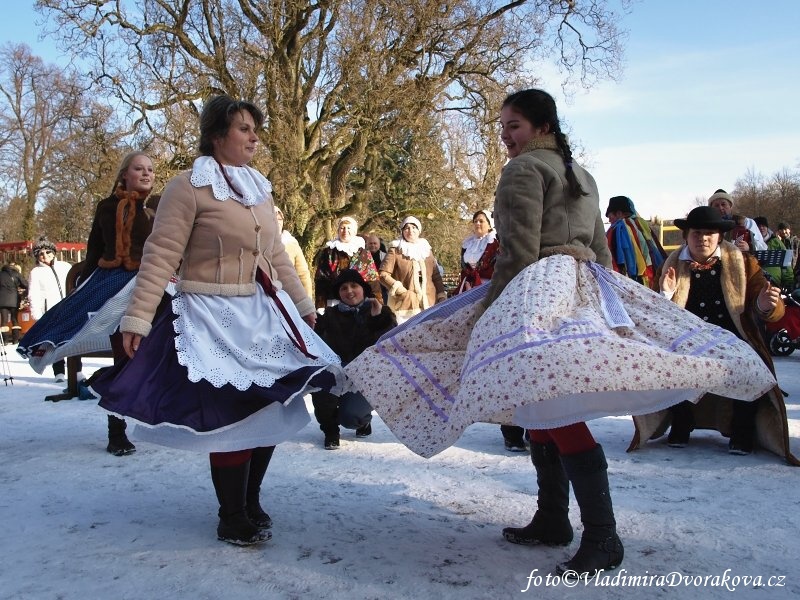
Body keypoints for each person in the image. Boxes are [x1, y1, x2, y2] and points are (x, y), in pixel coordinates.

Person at [343, 89, 779, 579]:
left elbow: (519, 248)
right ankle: (553, 518)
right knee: (542, 401)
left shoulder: (523, 171)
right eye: (504, 127)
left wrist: (492, 309)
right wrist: (610, 301)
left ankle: (602, 535)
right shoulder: (583, 175)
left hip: (537, 285)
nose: (506, 136)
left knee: (549, 402)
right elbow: (598, 248)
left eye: (514, 126)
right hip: (582, 285)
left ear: (542, 127)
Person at [90, 95, 344, 546]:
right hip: (208, 314)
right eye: (244, 128)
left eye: (254, 129)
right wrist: (138, 318)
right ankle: (231, 515)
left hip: (260, 315)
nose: (254, 136)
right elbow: (160, 254)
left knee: (271, 406)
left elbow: (277, 256)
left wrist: (305, 307)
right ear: (216, 135)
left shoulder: (258, 188)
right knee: (233, 416)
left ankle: (251, 500)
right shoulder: (187, 186)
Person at [17, 152, 158, 454]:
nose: (146, 173)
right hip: (113, 288)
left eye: (150, 169)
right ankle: (116, 431)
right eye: (139, 168)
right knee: (123, 357)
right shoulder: (106, 207)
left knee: (161, 352)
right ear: (125, 174)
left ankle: (172, 418)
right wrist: (85, 290)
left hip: (149, 285)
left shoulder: (157, 209)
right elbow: (95, 248)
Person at [630, 206, 796, 461]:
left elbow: (766, 308)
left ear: (720, 236)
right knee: (672, 364)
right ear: (686, 235)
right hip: (687, 339)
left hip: (734, 339)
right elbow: (655, 315)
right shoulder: (672, 265)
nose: (703, 238)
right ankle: (681, 423)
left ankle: (742, 431)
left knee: (750, 366)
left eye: (710, 233)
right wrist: (665, 294)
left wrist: (765, 305)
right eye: (697, 233)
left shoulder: (744, 263)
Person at [456, 209, 523, 451]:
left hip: (498, 296)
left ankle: (523, 431)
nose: (478, 224)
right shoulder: (468, 245)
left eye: (481, 220)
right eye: (475, 221)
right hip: (472, 294)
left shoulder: (498, 244)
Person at [311, 269, 396, 449]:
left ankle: (363, 420)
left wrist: (377, 319)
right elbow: (314, 341)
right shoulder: (330, 315)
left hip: (366, 377)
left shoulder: (382, 311)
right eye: (343, 288)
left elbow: (390, 346)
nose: (349, 291)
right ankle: (331, 431)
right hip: (338, 372)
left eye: (354, 286)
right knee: (321, 383)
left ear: (363, 288)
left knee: (350, 418)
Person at [379, 216, 447, 323]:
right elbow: (383, 274)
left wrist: (441, 295)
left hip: (430, 301)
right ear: (402, 231)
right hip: (406, 302)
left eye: (414, 227)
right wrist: (399, 289)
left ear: (418, 230)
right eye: (407, 228)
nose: (410, 231)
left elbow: (436, 276)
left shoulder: (426, 249)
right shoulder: (396, 249)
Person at [26, 237, 72, 382]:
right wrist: (38, 315)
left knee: (73, 340)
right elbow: (34, 294)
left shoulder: (65, 266)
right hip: (51, 312)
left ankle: (76, 369)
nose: (45, 256)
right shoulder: (36, 272)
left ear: (53, 253)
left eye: (47, 252)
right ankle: (59, 372)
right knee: (55, 342)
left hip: (69, 308)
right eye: (41, 254)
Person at [313, 216, 382, 309]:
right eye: (342, 228)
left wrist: (378, 302)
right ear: (338, 230)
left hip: (360, 302)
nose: (345, 231)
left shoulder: (363, 253)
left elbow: (372, 280)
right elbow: (321, 280)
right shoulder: (329, 252)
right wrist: (320, 305)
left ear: (354, 231)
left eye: (349, 228)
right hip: (334, 302)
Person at [604, 195, 666, 288]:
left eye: (610, 216)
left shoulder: (619, 229)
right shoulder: (642, 226)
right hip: (649, 275)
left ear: (619, 213)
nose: (609, 220)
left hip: (630, 278)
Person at [274, 206, 313, 298]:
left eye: (280, 220)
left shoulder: (291, 243)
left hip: (289, 293)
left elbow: (303, 274)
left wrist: (307, 299)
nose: (277, 223)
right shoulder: (258, 242)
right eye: (274, 219)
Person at [754, 216, 794, 290]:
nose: (761, 228)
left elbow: (786, 263)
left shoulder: (776, 242)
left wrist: (789, 282)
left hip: (774, 284)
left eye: (763, 226)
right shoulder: (750, 243)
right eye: (758, 226)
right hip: (755, 284)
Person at [0, 263, 28, 345]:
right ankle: (15, 339)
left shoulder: (1, 274)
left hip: (2, 300)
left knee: (4, 320)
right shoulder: (16, 274)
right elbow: (25, 284)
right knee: (14, 319)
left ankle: (4, 340)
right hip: (14, 299)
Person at [365, 233, 389, 304]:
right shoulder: (362, 257)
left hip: (383, 289)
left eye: (375, 243)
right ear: (367, 244)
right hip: (367, 289)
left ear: (379, 245)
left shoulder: (385, 256)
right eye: (370, 243)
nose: (373, 245)